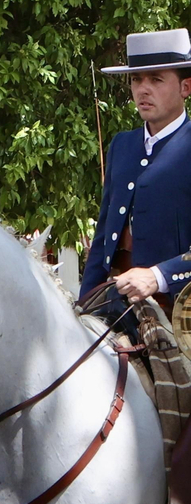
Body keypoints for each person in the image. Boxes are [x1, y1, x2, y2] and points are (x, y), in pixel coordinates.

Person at [79, 29, 191, 327]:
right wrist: (83, 305)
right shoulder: (122, 145)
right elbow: (104, 237)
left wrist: (159, 276)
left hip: (181, 315)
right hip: (117, 309)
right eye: (136, 79)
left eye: (156, 79)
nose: (143, 89)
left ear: (185, 87)